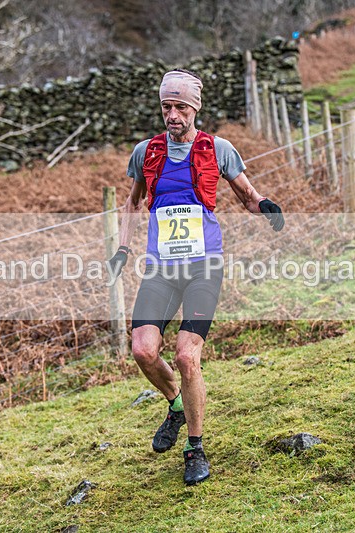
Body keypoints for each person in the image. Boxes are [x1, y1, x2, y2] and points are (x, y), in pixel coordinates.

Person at [107, 69, 285, 486]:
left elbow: (246, 195)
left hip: (205, 266)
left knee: (187, 356)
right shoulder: (145, 152)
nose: (172, 115)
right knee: (143, 350)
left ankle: (195, 448)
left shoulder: (217, 148)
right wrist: (122, 248)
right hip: (162, 268)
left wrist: (266, 208)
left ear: (195, 109)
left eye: (180, 108)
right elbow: (132, 205)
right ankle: (174, 404)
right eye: (166, 107)